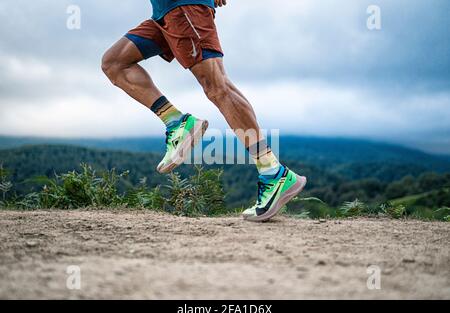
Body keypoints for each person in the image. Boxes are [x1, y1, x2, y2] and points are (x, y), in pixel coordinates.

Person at [101, 0, 307, 222]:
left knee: (218, 87)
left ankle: (272, 171)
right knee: (115, 62)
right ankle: (176, 122)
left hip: (184, 7)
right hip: (164, 12)